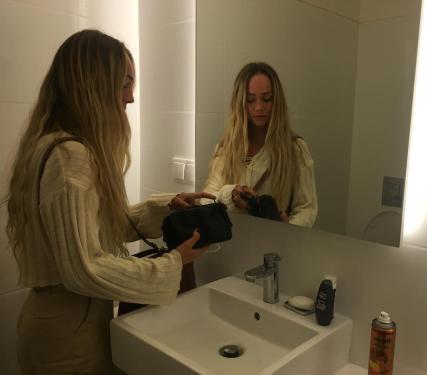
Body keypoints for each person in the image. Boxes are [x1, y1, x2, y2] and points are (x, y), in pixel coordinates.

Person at [3, 29, 214, 374]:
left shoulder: (55, 145)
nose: (131, 97)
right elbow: (86, 267)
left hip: (67, 324)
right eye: (124, 83)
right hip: (67, 339)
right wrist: (172, 263)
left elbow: (95, 228)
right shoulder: (70, 157)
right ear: (93, 85)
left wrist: (166, 207)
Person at [203, 62, 318, 227]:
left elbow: (307, 208)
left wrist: (288, 230)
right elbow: (206, 199)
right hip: (231, 241)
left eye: (267, 99)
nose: (259, 107)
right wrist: (231, 193)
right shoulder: (226, 148)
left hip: (275, 245)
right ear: (240, 102)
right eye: (250, 100)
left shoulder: (295, 149)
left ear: (277, 101)